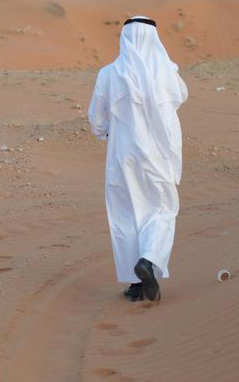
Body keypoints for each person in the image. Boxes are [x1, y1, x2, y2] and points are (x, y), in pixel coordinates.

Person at [88, 16, 188, 302]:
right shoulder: (167, 72)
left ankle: (135, 284)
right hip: (160, 155)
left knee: (126, 215)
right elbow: (181, 95)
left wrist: (107, 133)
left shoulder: (108, 74)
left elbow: (96, 118)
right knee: (161, 210)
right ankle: (148, 260)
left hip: (123, 156)